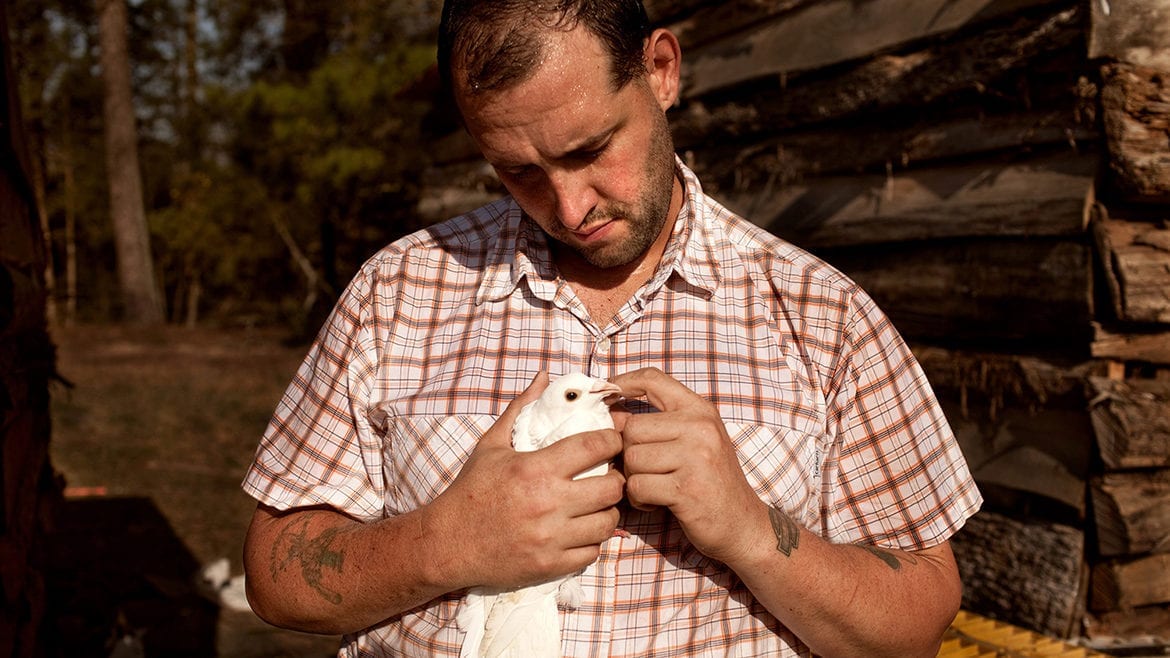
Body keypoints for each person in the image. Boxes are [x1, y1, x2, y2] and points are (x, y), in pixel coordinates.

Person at [240, 1, 983, 656]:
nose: (568, 209)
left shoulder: (824, 317)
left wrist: (753, 531)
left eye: (589, 149)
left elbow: (917, 623)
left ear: (660, 70)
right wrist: (443, 543)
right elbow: (275, 576)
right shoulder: (397, 292)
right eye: (518, 171)